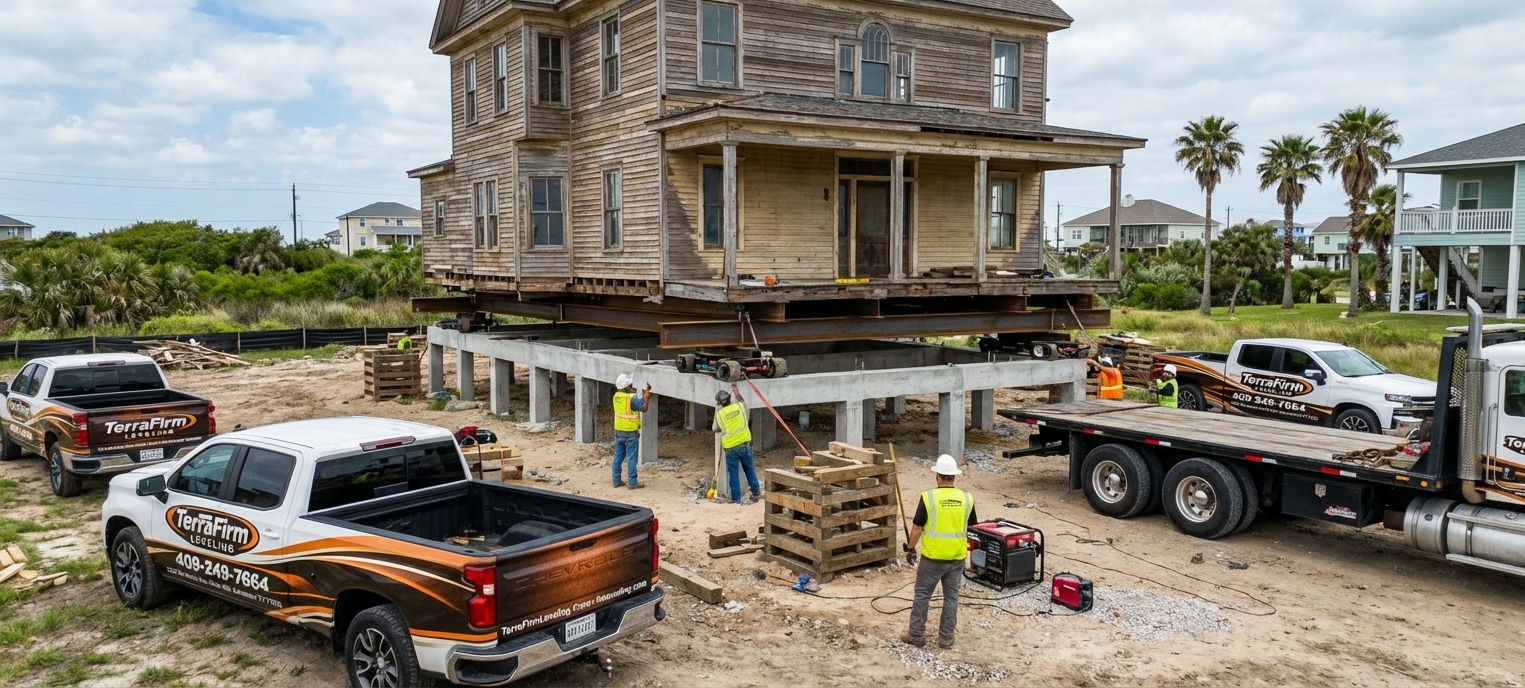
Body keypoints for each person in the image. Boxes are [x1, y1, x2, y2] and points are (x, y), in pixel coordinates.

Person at [901, 455, 978, 650]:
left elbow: (917, 528)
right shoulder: (966, 499)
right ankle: (946, 639)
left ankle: (917, 636)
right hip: (956, 558)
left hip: (932, 558)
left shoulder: (928, 498)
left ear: (937, 476)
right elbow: (973, 527)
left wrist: (910, 548)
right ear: (954, 477)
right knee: (951, 598)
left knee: (922, 596)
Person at [713, 384, 761, 505]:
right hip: (744, 443)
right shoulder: (739, 406)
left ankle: (736, 500)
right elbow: (742, 401)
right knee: (749, 469)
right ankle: (756, 493)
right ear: (730, 399)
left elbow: (715, 429)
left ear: (719, 403)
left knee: (733, 473)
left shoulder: (720, 414)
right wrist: (736, 392)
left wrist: (719, 413)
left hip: (730, 448)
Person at [612, 374, 651, 489]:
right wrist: (647, 397)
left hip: (619, 430)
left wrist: (643, 395)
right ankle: (632, 482)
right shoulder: (631, 398)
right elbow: (643, 408)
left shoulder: (616, 396)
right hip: (630, 432)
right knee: (631, 458)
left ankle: (616, 480)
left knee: (618, 456)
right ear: (628, 386)